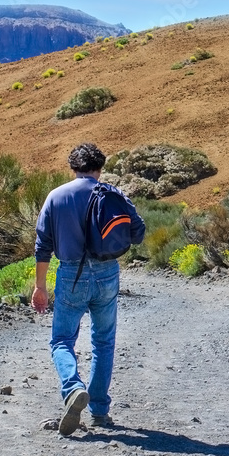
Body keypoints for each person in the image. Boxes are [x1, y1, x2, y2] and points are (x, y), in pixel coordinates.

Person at [31, 143, 145, 436]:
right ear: (100, 168)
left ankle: (73, 388)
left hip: (71, 274)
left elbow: (43, 245)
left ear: (73, 167)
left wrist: (40, 287)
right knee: (104, 341)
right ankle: (99, 411)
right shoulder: (114, 194)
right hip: (107, 273)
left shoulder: (56, 197)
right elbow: (138, 232)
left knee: (61, 341)